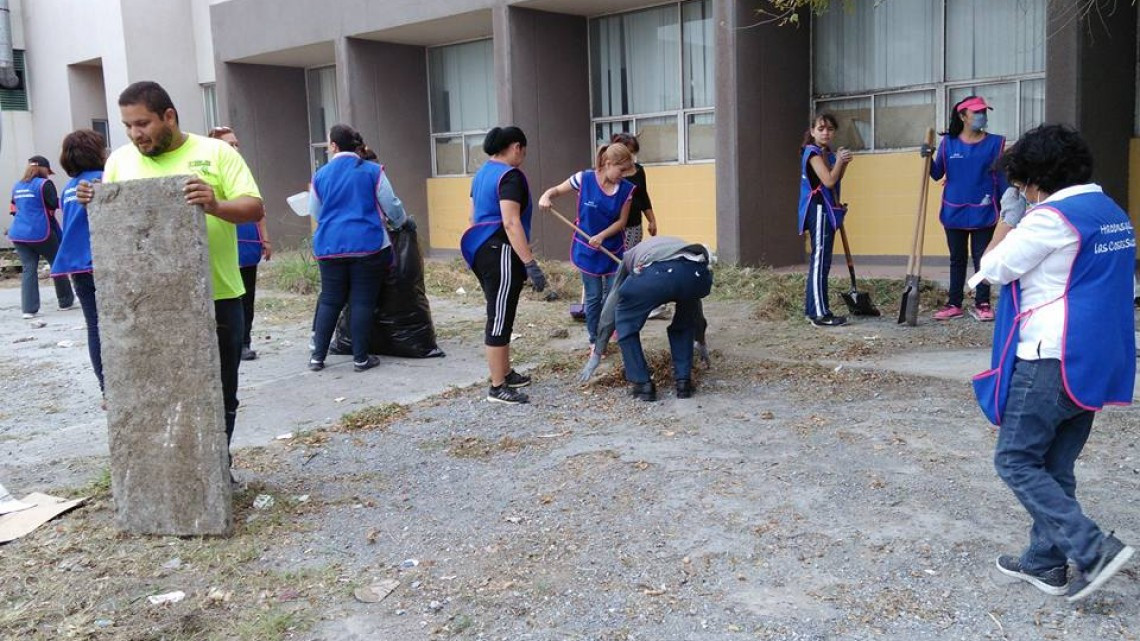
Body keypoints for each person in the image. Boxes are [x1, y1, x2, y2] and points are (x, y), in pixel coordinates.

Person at [970, 124, 1135, 602]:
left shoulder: (1051, 219)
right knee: (1055, 463)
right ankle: (1046, 563)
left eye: (1020, 184)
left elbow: (991, 268)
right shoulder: (1111, 212)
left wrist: (1009, 216)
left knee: (1016, 459)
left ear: (1035, 180)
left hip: (1049, 359)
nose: (1021, 192)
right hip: (1095, 358)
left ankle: (1091, 549)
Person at [77, 80, 264, 453]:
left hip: (219, 295)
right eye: (128, 126)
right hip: (149, 304)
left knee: (220, 392)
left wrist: (215, 205)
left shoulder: (216, 153)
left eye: (143, 124)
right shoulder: (118, 162)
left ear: (169, 117)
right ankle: (173, 471)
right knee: (160, 393)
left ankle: (216, 470)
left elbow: (254, 207)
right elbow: (115, 224)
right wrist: (93, 202)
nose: (135, 134)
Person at [308, 124, 408, 373]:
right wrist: (401, 222)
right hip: (368, 245)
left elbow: (316, 211)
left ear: (333, 146)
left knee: (330, 300)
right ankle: (361, 359)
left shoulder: (320, 175)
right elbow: (391, 205)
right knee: (362, 301)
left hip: (329, 246)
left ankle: (317, 358)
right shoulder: (373, 172)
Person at [460, 126, 547, 405]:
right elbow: (511, 222)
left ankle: (505, 372)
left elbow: (473, 217)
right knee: (499, 317)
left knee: (502, 312)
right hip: (501, 252)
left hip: (482, 249)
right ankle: (497, 387)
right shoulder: (509, 176)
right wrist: (529, 263)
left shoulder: (482, 173)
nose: (523, 155)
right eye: (523, 149)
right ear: (516, 147)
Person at [578, 235, 712, 401]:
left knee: (626, 323)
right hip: (696, 274)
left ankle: (643, 385)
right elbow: (696, 310)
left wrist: (598, 351)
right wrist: (701, 340)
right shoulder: (678, 245)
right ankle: (683, 382)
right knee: (685, 321)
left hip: (655, 277)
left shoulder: (629, 256)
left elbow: (612, 303)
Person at [539, 143, 635, 348]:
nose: (623, 175)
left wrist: (601, 236)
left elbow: (621, 222)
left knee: (613, 295)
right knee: (593, 297)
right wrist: (546, 196)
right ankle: (595, 341)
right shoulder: (584, 179)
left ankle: (610, 331)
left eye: (626, 171)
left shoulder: (626, 190)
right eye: (621, 170)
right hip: (587, 248)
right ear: (608, 164)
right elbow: (555, 190)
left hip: (612, 249)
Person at [927, 95, 1007, 322]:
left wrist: (1007, 207)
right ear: (963, 116)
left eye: (984, 112)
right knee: (957, 258)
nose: (982, 116)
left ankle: (982, 303)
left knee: (983, 258)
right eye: (977, 112)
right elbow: (936, 174)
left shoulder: (995, 144)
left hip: (984, 209)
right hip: (954, 210)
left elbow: (1001, 178)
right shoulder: (948, 144)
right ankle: (954, 303)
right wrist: (926, 157)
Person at [208, 126, 271, 361]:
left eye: (236, 144)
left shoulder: (241, 171)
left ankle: (245, 341)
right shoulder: (209, 172)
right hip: (221, 244)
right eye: (229, 144)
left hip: (246, 241)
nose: (234, 148)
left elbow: (259, 209)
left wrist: (265, 238)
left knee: (247, 293)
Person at [51, 130, 107, 392]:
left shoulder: (68, 188)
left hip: (77, 265)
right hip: (101, 260)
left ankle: (106, 387)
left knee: (94, 326)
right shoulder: (102, 181)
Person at [797, 113, 852, 327]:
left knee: (821, 262)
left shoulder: (825, 153)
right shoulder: (812, 153)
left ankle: (812, 309)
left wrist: (842, 163)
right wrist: (838, 161)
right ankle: (820, 314)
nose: (825, 133)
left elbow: (836, 176)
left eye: (829, 129)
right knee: (820, 262)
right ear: (812, 132)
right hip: (818, 210)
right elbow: (828, 181)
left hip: (826, 210)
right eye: (821, 129)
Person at [8, 155, 75, 318]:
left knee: (28, 268)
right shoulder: (45, 184)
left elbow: (13, 210)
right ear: (43, 169)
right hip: (41, 232)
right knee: (56, 263)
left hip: (18, 234)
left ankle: (29, 310)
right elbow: (53, 204)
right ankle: (65, 301)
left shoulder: (17, 186)